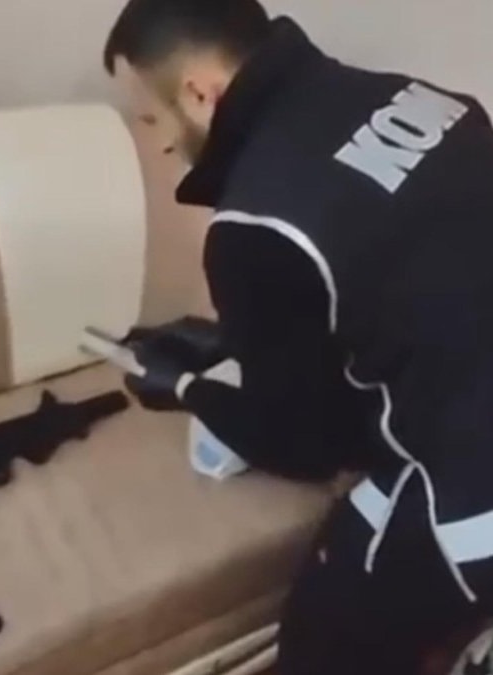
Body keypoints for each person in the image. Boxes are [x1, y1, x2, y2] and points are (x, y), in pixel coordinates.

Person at [102, 1, 493, 673]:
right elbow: (412, 277)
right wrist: (235, 340)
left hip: (472, 495)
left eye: (150, 118)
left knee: (318, 638)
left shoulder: (254, 228)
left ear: (199, 92)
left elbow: (309, 446)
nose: (159, 143)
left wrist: (186, 387)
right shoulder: (430, 101)